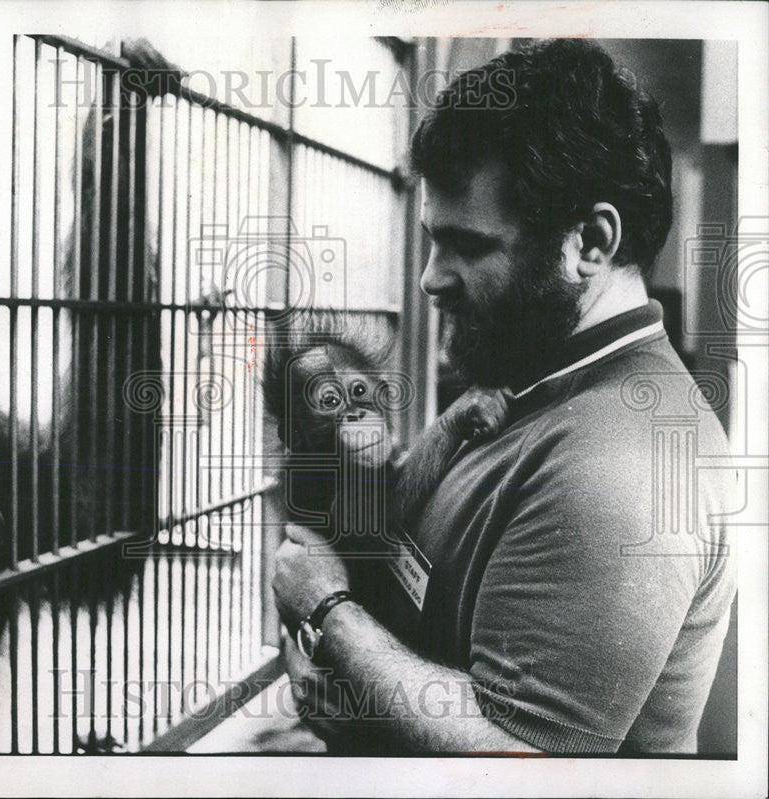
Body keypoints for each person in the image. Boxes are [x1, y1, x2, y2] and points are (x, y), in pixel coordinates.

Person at [271, 38, 736, 754]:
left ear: (590, 240)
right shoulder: (536, 377)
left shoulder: (623, 460)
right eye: (431, 240)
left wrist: (330, 615)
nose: (430, 278)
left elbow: (524, 760)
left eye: (468, 245)